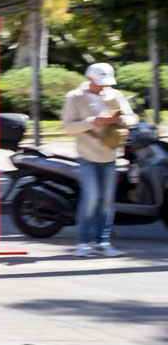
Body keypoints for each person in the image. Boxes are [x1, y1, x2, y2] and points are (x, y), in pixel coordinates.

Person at [61, 62, 138, 257]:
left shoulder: (115, 95)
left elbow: (133, 118)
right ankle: (84, 243)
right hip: (87, 155)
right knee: (91, 198)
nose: (103, 86)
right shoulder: (74, 97)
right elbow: (68, 127)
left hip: (111, 156)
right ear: (89, 79)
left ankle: (103, 242)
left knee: (107, 202)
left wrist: (119, 119)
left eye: (106, 83)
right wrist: (93, 121)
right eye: (99, 82)